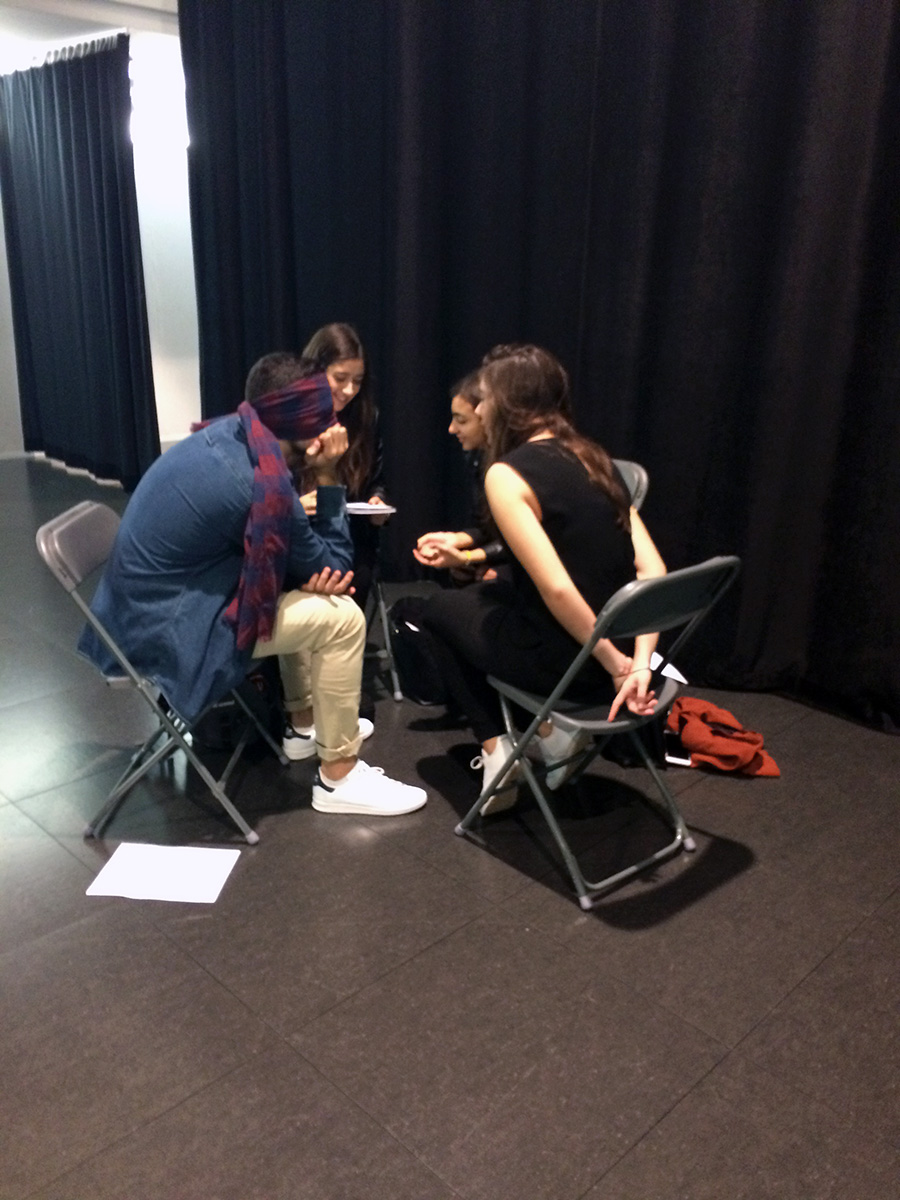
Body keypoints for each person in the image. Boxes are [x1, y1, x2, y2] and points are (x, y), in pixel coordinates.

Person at [78, 352, 426, 818]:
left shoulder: (230, 435)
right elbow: (337, 567)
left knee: (294, 585)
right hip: (166, 631)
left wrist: (297, 529)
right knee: (341, 617)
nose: (333, 424)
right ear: (298, 421)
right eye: (322, 414)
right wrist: (328, 475)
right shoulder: (262, 487)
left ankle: (304, 726)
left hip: (137, 610)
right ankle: (338, 777)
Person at [418, 344, 666, 810]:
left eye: (486, 399)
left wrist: (614, 665)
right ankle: (549, 735)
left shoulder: (506, 475)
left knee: (434, 612)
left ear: (510, 403)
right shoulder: (595, 459)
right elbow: (653, 571)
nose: (481, 410)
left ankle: (497, 750)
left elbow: (557, 588)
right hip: (624, 656)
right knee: (488, 596)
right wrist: (639, 663)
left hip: (573, 664)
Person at [299, 323, 389, 613]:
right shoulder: (293, 418)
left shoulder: (365, 418)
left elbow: (377, 480)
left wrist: (378, 501)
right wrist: (294, 506)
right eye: (340, 378)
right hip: (300, 533)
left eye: (358, 381)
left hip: (353, 536)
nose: (349, 390)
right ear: (315, 372)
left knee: (351, 583)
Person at [413, 370, 506, 583]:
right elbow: (486, 528)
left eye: (461, 421)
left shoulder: (513, 467)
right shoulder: (480, 459)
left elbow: (519, 540)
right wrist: (454, 539)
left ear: (488, 417)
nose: (451, 429)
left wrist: (469, 558)